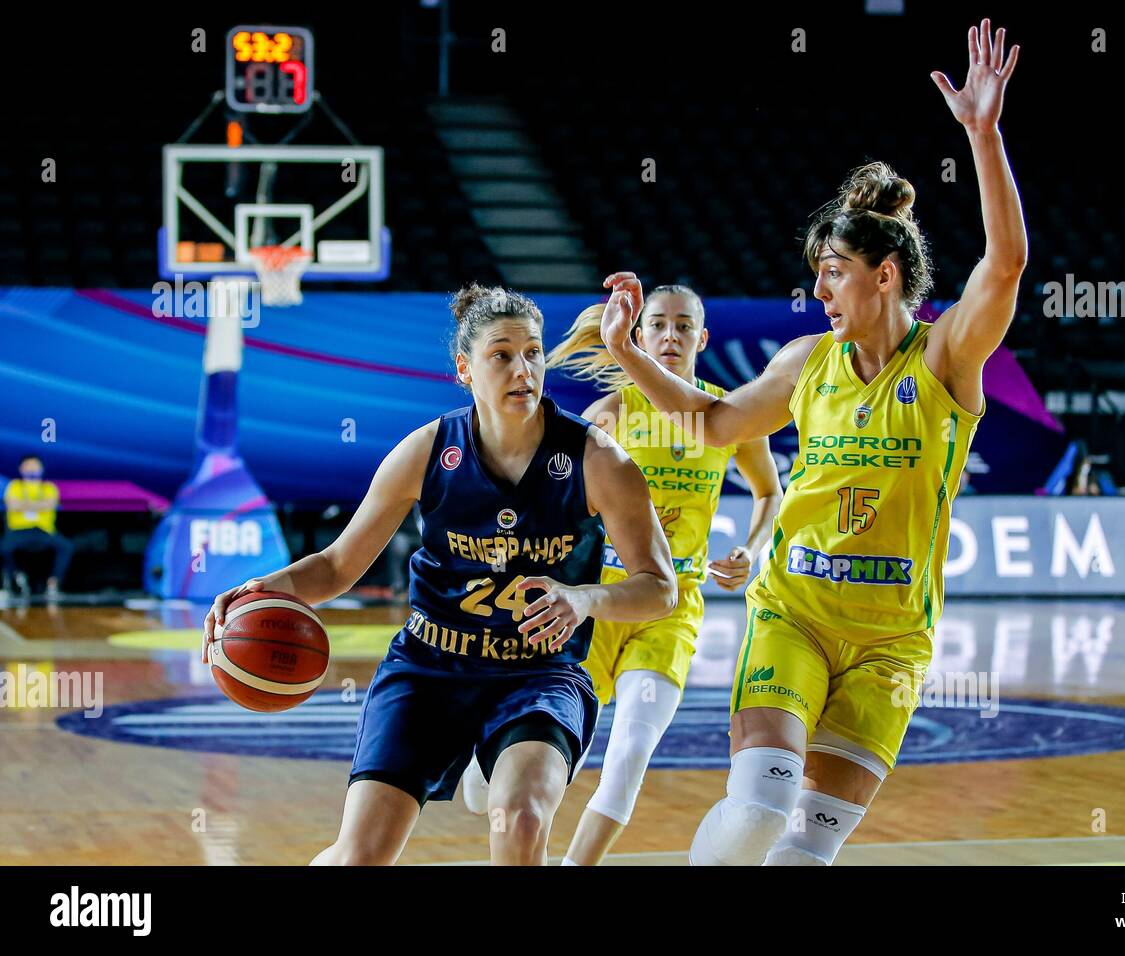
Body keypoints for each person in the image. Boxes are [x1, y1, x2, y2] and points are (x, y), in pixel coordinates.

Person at [597, 18, 1024, 866]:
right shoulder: (806, 362)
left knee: (804, 853)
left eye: (833, 270)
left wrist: (983, 135)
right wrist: (626, 354)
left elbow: (1005, 263)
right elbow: (713, 422)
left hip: (892, 638)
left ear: (885, 274)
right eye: (819, 271)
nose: (820, 286)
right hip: (793, 610)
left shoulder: (945, 355)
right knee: (758, 808)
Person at [202, 284, 678, 866]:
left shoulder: (597, 460)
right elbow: (335, 566)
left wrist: (583, 598)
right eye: (501, 355)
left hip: (537, 675)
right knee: (361, 855)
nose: (522, 368)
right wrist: (257, 591)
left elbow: (659, 587)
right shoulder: (427, 452)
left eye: (532, 352)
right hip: (430, 668)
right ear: (465, 370)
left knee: (523, 816)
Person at [483, 284, 781, 866]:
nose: (671, 336)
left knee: (628, 757)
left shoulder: (725, 416)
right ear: (638, 338)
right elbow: (554, 500)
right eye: (658, 325)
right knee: (536, 758)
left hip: (672, 606)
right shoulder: (613, 416)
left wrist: (752, 550)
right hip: (596, 603)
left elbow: (770, 491)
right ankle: (486, 774)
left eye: (683, 326)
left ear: (702, 337)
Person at [2, 456, 74, 601]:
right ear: (21, 469)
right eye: (28, 466)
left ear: (41, 469)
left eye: (35, 466)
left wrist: (24, 505)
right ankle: (16, 578)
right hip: (19, 530)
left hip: (44, 531)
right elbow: (12, 505)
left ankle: (53, 584)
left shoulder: (49, 487)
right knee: (3, 548)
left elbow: (50, 504)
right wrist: (38, 505)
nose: (32, 469)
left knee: (66, 546)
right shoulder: (15, 485)